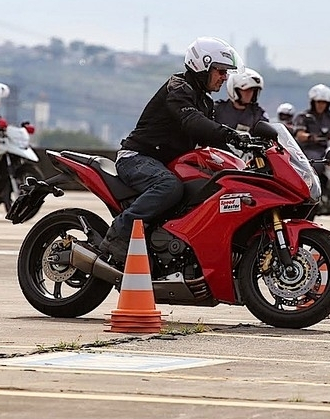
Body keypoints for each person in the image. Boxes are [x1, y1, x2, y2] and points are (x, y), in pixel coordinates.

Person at [100, 36, 249, 261]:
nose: (225, 77)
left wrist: (247, 154)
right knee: (169, 186)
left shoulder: (205, 102)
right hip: (138, 158)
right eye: (220, 71)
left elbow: (211, 139)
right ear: (203, 66)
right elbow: (192, 122)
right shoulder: (178, 88)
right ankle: (119, 234)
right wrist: (230, 134)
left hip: (165, 163)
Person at [293, 84, 330, 184]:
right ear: (313, 102)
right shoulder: (304, 117)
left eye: (324, 103)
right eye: (318, 102)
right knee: (317, 165)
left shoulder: (329, 117)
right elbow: (299, 135)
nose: (321, 105)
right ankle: (317, 190)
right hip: (309, 149)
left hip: (327, 149)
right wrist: (310, 137)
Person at [213, 67, 269, 132]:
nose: (249, 94)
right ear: (235, 90)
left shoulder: (258, 114)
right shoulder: (216, 109)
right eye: (246, 90)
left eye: (252, 90)